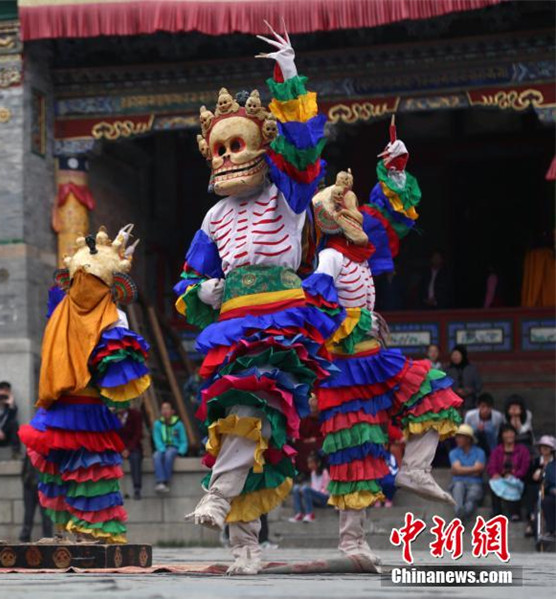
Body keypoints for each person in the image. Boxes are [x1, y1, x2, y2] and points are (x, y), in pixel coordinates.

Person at [176, 26, 337, 574]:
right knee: (236, 422)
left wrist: (290, 74)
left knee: (253, 408)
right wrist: (204, 289)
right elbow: (187, 279)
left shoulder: (286, 193)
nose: (226, 157)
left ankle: (219, 498)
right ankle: (244, 546)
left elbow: (307, 148)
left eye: (236, 145)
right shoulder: (213, 216)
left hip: (282, 317)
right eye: (218, 150)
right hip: (233, 322)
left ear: (261, 147)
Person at [304, 129, 462, 564]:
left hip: (374, 357)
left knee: (432, 390)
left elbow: (388, 215)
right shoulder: (332, 257)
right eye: (351, 206)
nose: (360, 211)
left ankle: (414, 468)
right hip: (347, 365)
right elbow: (314, 302)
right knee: (357, 446)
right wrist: (355, 319)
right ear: (336, 218)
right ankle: (352, 541)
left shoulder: (360, 258)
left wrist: (393, 170)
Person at [19, 226, 151, 543]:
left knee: (90, 472)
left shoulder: (112, 317)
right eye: (80, 279)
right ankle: (65, 532)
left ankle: (90, 531)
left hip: (88, 407)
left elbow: (117, 373)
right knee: (58, 470)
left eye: (91, 280)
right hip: (61, 406)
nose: (84, 286)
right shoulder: (64, 311)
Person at [487, 424, 531, 521]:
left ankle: (515, 512)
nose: (509, 435)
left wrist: (514, 475)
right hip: (501, 478)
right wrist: (495, 474)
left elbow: (525, 467)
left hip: (517, 478)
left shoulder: (522, 450)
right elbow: (491, 466)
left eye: (511, 432)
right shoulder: (497, 450)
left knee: (513, 484)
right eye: (506, 432)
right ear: (502, 435)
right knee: (494, 483)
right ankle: (496, 512)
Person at [448, 424, 486, 521]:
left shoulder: (480, 452)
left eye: (461, 437)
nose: (457, 439)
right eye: (457, 437)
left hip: (475, 483)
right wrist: (473, 470)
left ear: (468, 439)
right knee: (458, 487)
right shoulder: (453, 452)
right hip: (458, 482)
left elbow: (479, 469)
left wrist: (460, 471)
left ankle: (460, 515)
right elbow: (458, 469)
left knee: (472, 498)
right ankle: (460, 513)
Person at [152, 401, 189, 493]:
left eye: (167, 409)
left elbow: (183, 441)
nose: (165, 411)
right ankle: (160, 481)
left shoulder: (178, 424)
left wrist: (181, 452)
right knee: (156, 456)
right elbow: (157, 439)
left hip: (174, 448)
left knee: (169, 454)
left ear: (172, 411)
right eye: (163, 409)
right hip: (162, 448)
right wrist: (162, 449)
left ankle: (165, 481)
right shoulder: (157, 424)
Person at [18, 453, 53, 542]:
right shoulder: (29, 451)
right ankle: (25, 538)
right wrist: (25, 480)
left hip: (44, 488)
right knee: (28, 514)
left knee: (46, 516)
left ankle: (48, 538)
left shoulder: (46, 451)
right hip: (30, 486)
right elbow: (25, 468)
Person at [288, 452, 330, 523]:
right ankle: (299, 514)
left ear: (318, 463)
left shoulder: (324, 472)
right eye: (308, 463)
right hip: (315, 496)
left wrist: (310, 491)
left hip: (324, 498)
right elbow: (313, 487)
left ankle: (310, 514)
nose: (309, 465)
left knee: (305, 488)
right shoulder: (313, 473)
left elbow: (325, 490)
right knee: (296, 488)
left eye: (311, 463)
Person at [530, 435, 555, 540]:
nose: (544, 448)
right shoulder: (550, 466)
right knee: (547, 501)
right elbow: (548, 482)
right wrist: (552, 489)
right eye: (542, 446)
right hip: (554, 493)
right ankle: (553, 530)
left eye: (547, 446)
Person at [117, 404, 144, 500]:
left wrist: (128, 449)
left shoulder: (135, 415)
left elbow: (138, 434)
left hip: (133, 447)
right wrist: (120, 449)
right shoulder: (113, 416)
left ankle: (137, 488)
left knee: (135, 458)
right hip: (118, 448)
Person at [445, 345, 483, 411]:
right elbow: (444, 387)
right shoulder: (448, 370)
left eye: (457, 355)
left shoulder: (472, 369)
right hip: (453, 405)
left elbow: (478, 386)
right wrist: (456, 390)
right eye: (453, 355)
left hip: (470, 404)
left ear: (463, 355)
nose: (455, 357)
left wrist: (469, 391)